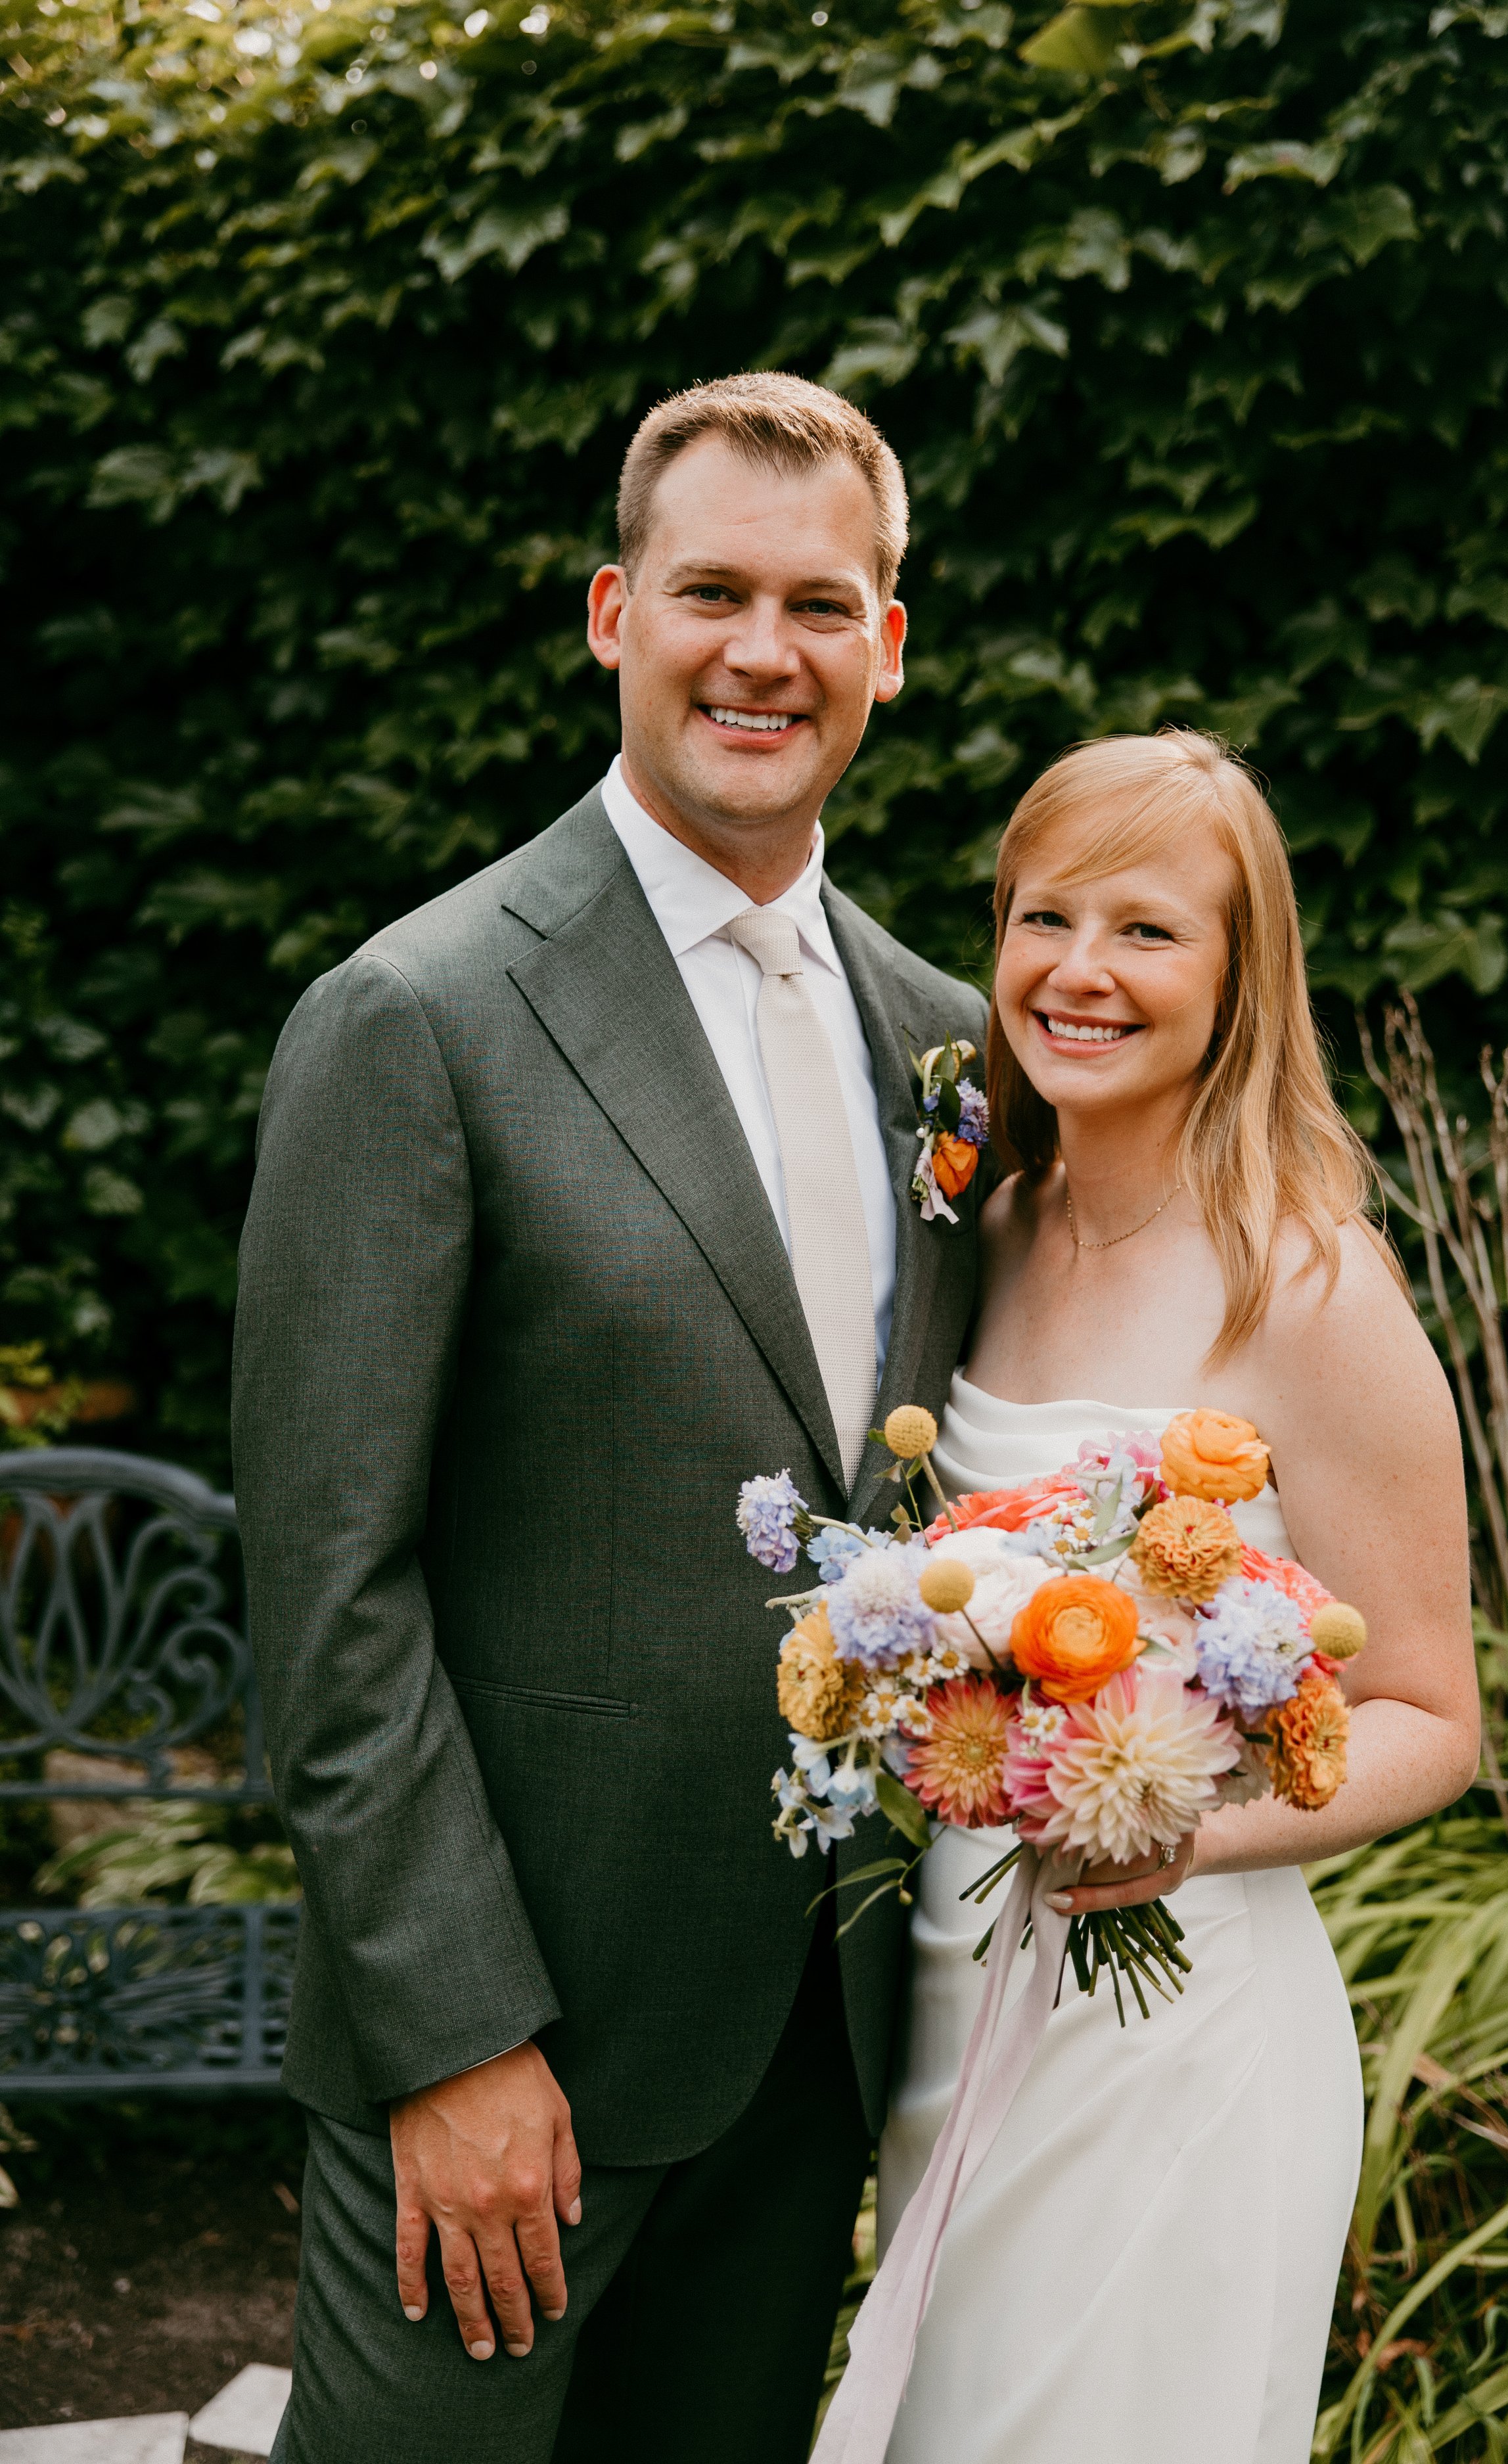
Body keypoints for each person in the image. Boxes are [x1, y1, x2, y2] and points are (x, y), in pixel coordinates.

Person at [231, 372, 990, 2464]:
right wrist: (453, 2036)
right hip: (508, 2060)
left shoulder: (946, 1043)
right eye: (711, 593)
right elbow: (330, 1585)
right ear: (611, 615)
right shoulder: (415, 1015)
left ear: (886, 647)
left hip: (814, 2047)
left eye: (819, 606)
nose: (764, 652)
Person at [871, 731, 1479, 2464]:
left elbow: (1431, 1715)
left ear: (1236, 976)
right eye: (1044, 917)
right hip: (951, 2001)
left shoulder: (1310, 1286)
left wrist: (1185, 1834)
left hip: (1174, 2035)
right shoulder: (982, 1236)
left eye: (1145, 929)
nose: (1080, 971)